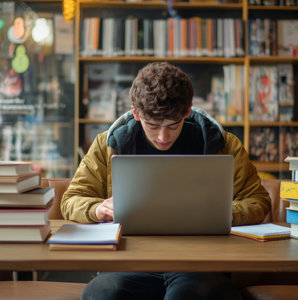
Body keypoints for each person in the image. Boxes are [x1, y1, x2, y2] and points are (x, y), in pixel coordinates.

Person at [61, 62, 271, 300]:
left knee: (188, 295)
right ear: (135, 113)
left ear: (188, 111)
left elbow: (258, 200)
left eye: (173, 125)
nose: (163, 136)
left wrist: (226, 213)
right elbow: (70, 200)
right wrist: (97, 208)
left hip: (201, 263)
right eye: (153, 125)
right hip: (128, 262)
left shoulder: (223, 145)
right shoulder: (107, 145)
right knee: (103, 294)